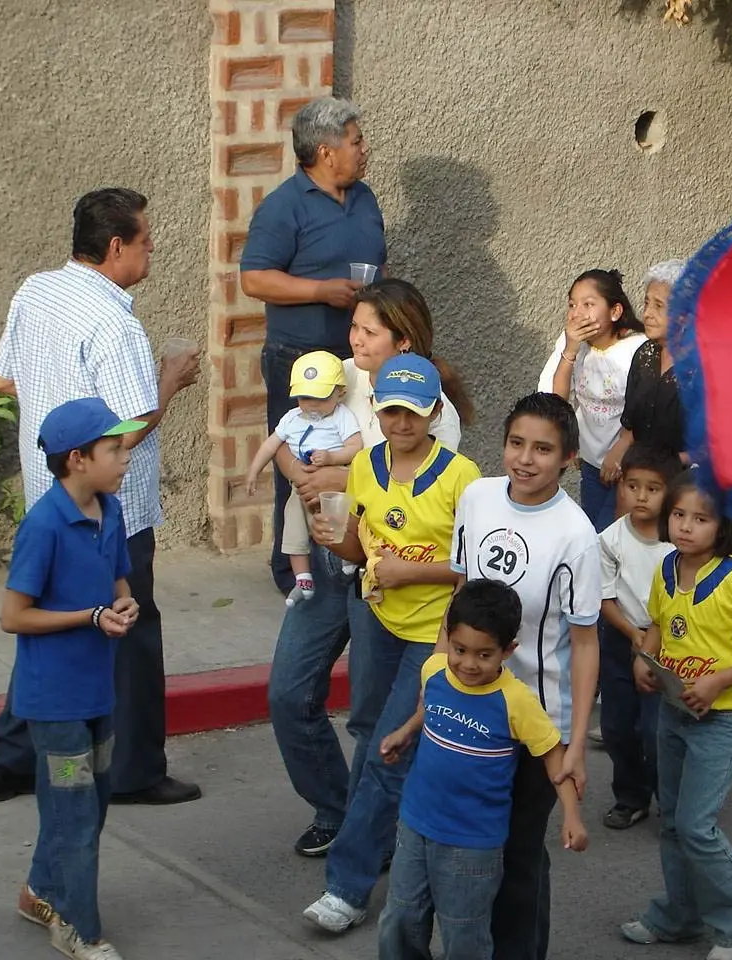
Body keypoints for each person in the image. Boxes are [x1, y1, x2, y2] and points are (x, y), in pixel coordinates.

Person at [0, 188, 201, 807]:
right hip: (112, 508)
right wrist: (172, 378)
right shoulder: (116, 322)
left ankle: (10, 758)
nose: (152, 248)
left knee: (49, 625)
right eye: (144, 240)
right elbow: (130, 427)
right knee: (131, 629)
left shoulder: (35, 291)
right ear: (115, 247)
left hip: (45, 495)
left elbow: (2, 378)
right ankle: (134, 770)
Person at [268, 278, 473, 859]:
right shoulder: (334, 371)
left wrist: (334, 476)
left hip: (380, 576)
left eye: (367, 330)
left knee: (371, 722)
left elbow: (406, 482)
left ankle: (367, 834)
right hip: (329, 560)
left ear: (403, 342)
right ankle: (342, 810)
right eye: (353, 326)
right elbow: (284, 436)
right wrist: (300, 473)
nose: (353, 338)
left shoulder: (442, 415)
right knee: (286, 694)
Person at [300, 353, 481, 934]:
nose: (401, 422)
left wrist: (410, 572)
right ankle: (383, 844)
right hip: (376, 620)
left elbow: (471, 570)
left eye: (412, 411)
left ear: (433, 412)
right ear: (377, 412)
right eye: (391, 411)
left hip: (432, 633)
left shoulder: (462, 477)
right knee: (368, 733)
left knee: (388, 750)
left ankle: (347, 887)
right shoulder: (365, 466)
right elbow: (358, 545)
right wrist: (335, 542)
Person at [450, 392, 602, 960]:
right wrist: (436, 687)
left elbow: (585, 646)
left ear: (567, 458)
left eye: (543, 449)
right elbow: (460, 599)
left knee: (518, 857)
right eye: (517, 443)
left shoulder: (576, 535)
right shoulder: (478, 498)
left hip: (536, 726)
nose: (525, 459)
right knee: (466, 848)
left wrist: (576, 746)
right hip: (471, 710)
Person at [620, 470, 732, 960]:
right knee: (673, 820)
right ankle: (679, 916)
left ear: (725, 526)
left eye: (701, 518)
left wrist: (722, 678)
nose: (686, 527)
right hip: (674, 712)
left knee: (697, 826)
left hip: (722, 719)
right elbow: (655, 623)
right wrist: (643, 657)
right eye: (678, 514)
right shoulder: (667, 567)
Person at [0, 398, 149, 960]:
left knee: (89, 804)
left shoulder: (110, 511)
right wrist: (88, 618)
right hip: (54, 700)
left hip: (97, 690)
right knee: (76, 815)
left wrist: (124, 605)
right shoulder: (43, 526)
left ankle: (38, 890)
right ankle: (78, 927)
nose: (125, 455)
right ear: (78, 460)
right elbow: (14, 616)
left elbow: (117, 582)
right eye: (114, 448)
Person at [376, 579, 589, 960]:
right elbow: (429, 708)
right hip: (415, 826)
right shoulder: (435, 670)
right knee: (400, 919)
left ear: (508, 651)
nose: (468, 664)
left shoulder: (516, 701)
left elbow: (553, 755)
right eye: (459, 650)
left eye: (483, 654)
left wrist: (571, 815)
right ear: (448, 638)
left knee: (465, 937)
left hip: (472, 845)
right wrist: (406, 732)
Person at [239, 96, 386, 595]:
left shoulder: (364, 198)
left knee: (352, 459)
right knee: (300, 462)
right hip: (299, 361)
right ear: (326, 152)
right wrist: (320, 291)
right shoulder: (283, 206)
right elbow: (255, 279)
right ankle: (295, 571)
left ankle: (343, 556)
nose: (365, 149)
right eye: (356, 141)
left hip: (355, 361)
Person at [597, 443, 680, 829]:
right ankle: (630, 796)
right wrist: (631, 632)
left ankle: (674, 801)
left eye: (653, 488)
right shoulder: (610, 539)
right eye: (633, 486)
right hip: (620, 639)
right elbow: (604, 597)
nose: (641, 496)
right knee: (616, 724)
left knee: (655, 729)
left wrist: (651, 639)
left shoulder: (678, 543)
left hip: (667, 643)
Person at [244, 350, 363, 607]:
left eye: (319, 398)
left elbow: (356, 446)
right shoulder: (291, 419)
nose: (311, 404)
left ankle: (347, 562)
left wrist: (331, 458)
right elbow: (271, 445)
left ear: (339, 393)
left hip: (332, 487)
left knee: (336, 525)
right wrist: (254, 471)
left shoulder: (341, 416)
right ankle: (302, 578)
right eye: (304, 397)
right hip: (299, 489)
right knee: (294, 529)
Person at [539, 269, 646, 531]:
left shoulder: (638, 348)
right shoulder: (572, 344)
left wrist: (623, 447)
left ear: (615, 312)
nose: (578, 313)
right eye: (572, 305)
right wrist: (571, 351)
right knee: (591, 533)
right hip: (590, 464)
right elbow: (557, 401)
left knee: (607, 538)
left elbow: (645, 406)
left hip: (630, 464)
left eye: (588, 304)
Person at [605, 259, 691, 471]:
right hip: (640, 476)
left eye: (659, 306)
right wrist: (620, 447)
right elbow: (632, 426)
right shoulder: (645, 355)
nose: (647, 314)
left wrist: (668, 464)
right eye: (646, 303)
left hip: (683, 485)